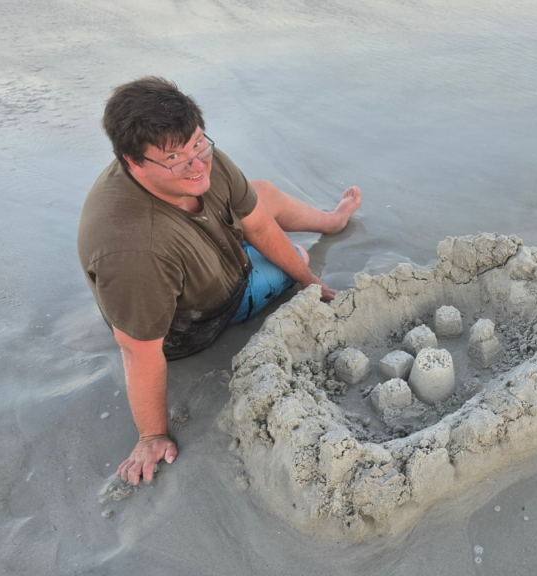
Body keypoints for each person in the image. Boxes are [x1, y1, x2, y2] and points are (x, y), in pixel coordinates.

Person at [77, 77, 362, 485]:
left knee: (257, 193)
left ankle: (332, 221)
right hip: (190, 319)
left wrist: (310, 282)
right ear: (134, 161)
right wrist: (152, 434)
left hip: (195, 257)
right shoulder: (134, 250)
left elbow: (260, 224)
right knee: (292, 253)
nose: (197, 164)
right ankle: (267, 268)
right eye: (177, 158)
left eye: (198, 143)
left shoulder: (195, 155)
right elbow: (140, 351)